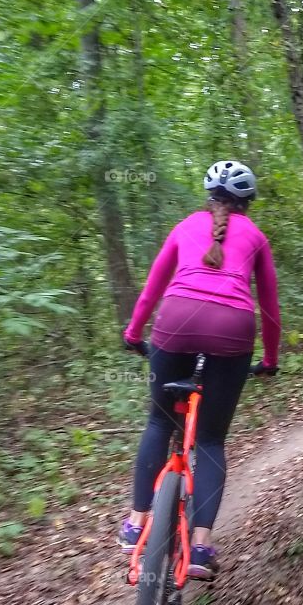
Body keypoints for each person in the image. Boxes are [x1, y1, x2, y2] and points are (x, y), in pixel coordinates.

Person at [119, 160, 280, 581]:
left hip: (175, 323)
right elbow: (270, 308)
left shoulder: (185, 226)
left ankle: (136, 521)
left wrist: (134, 333)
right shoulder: (258, 238)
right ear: (247, 203)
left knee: (158, 422)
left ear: (209, 198)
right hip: (233, 331)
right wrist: (270, 360)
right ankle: (202, 545)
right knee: (209, 438)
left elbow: (153, 286)